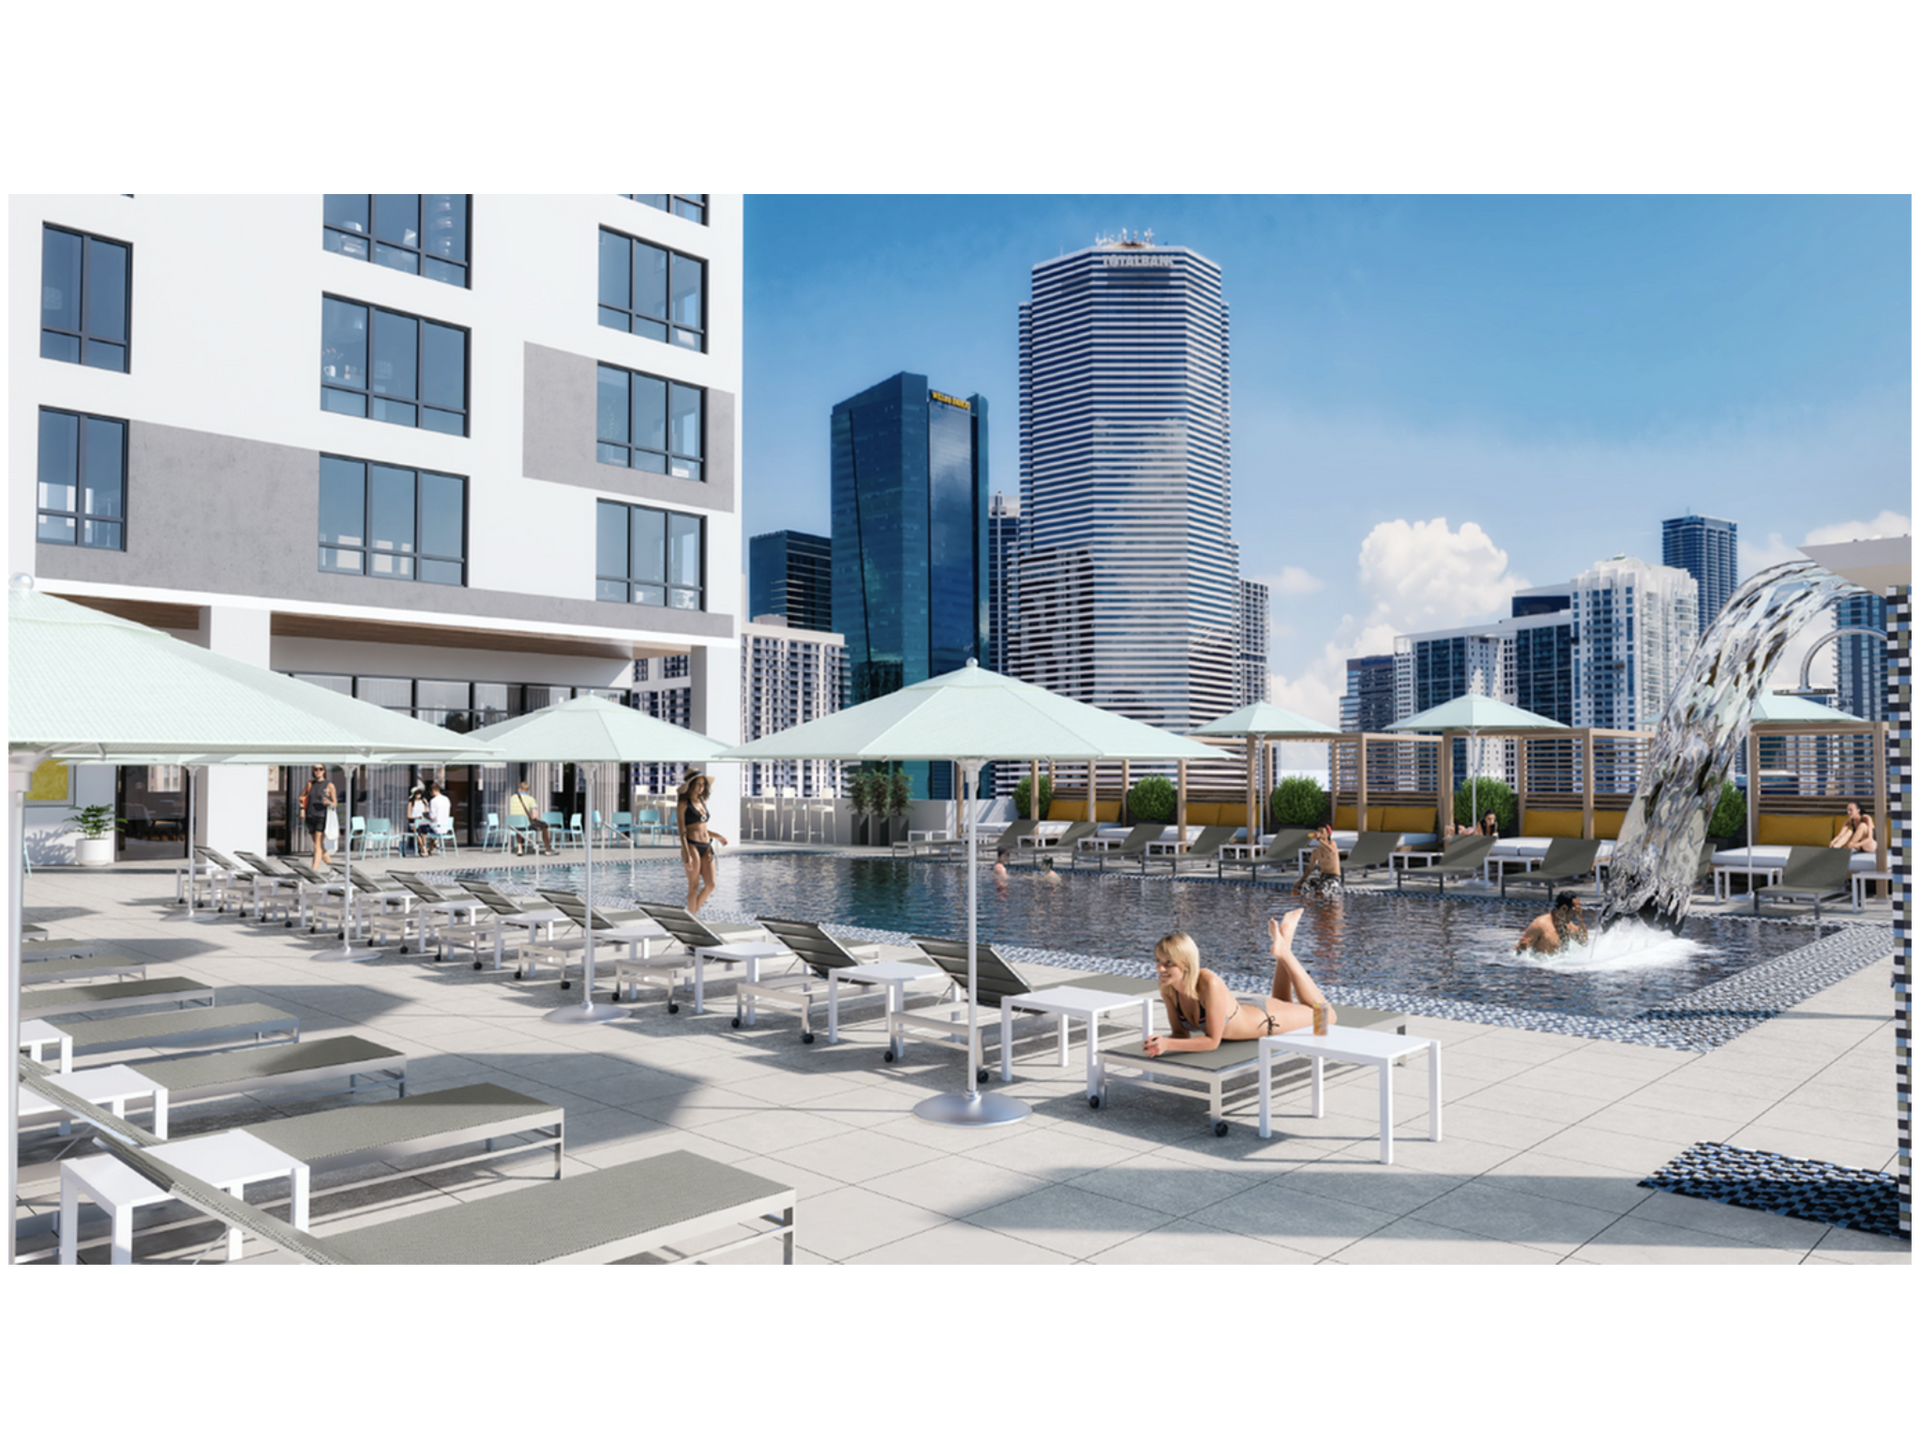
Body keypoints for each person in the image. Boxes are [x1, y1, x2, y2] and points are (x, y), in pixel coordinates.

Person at [1143, 913, 1335, 1056]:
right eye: (1158, 961)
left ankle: (1285, 952)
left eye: (1169, 963)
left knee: (1327, 1017)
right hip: (1246, 1009)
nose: (1161, 968)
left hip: (1266, 1019)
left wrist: (1168, 1045)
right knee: (1283, 1001)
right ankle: (1285, 940)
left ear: (1186, 962)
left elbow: (1212, 1042)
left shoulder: (1209, 983)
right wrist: (1159, 1043)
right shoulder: (1168, 987)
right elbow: (1180, 1035)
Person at [678, 771, 728, 915]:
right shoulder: (683, 803)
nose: (701, 787)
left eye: (703, 784)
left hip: (706, 846)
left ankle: (690, 915)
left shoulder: (702, 802)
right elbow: (682, 831)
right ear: (691, 785)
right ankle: (692, 919)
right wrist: (687, 855)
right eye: (698, 783)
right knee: (693, 886)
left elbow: (703, 827)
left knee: (711, 885)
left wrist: (717, 836)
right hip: (692, 845)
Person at [1516, 891, 1589, 956]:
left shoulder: (1567, 924)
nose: (1576, 913)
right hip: (1541, 970)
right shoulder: (1540, 924)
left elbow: (1583, 942)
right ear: (1564, 908)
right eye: (1575, 911)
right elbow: (1519, 950)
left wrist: (1580, 919)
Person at [300, 764, 338, 868]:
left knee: (317, 846)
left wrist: (329, 802)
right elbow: (302, 797)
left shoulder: (329, 785)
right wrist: (302, 809)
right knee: (320, 846)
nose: (318, 771)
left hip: (322, 817)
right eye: (316, 769)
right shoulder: (310, 784)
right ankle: (333, 869)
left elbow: (335, 803)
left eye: (320, 769)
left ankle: (314, 871)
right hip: (310, 816)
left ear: (324, 771)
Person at [509, 780, 554, 855]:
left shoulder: (512, 798)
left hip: (513, 826)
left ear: (519, 789)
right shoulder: (531, 799)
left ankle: (520, 849)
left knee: (519, 827)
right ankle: (548, 849)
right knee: (545, 827)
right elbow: (535, 816)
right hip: (525, 825)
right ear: (527, 790)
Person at [1295, 824, 1342, 895]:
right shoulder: (1315, 851)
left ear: (1328, 834)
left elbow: (1331, 850)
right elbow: (1309, 869)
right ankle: (1307, 904)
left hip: (1334, 877)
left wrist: (1319, 839)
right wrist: (1299, 881)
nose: (1319, 834)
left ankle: (1322, 903)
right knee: (1302, 887)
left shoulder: (1332, 844)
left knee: (1321, 890)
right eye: (1318, 832)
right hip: (1322, 877)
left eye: (1322, 832)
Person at [427, 782, 452, 855]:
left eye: (430, 793)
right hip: (446, 827)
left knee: (420, 828)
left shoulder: (433, 801)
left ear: (433, 791)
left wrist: (425, 815)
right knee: (431, 827)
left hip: (436, 828)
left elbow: (431, 817)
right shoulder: (446, 799)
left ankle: (423, 849)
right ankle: (431, 849)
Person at [407, 784, 431, 856]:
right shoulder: (411, 803)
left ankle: (423, 849)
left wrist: (427, 804)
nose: (419, 794)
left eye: (420, 793)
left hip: (423, 822)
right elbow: (409, 816)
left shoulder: (423, 802)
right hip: (415, 822)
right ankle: (423, 848)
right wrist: (417, 817)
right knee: (417, 830)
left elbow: (427, 813)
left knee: (423, 830)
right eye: (417, 793)